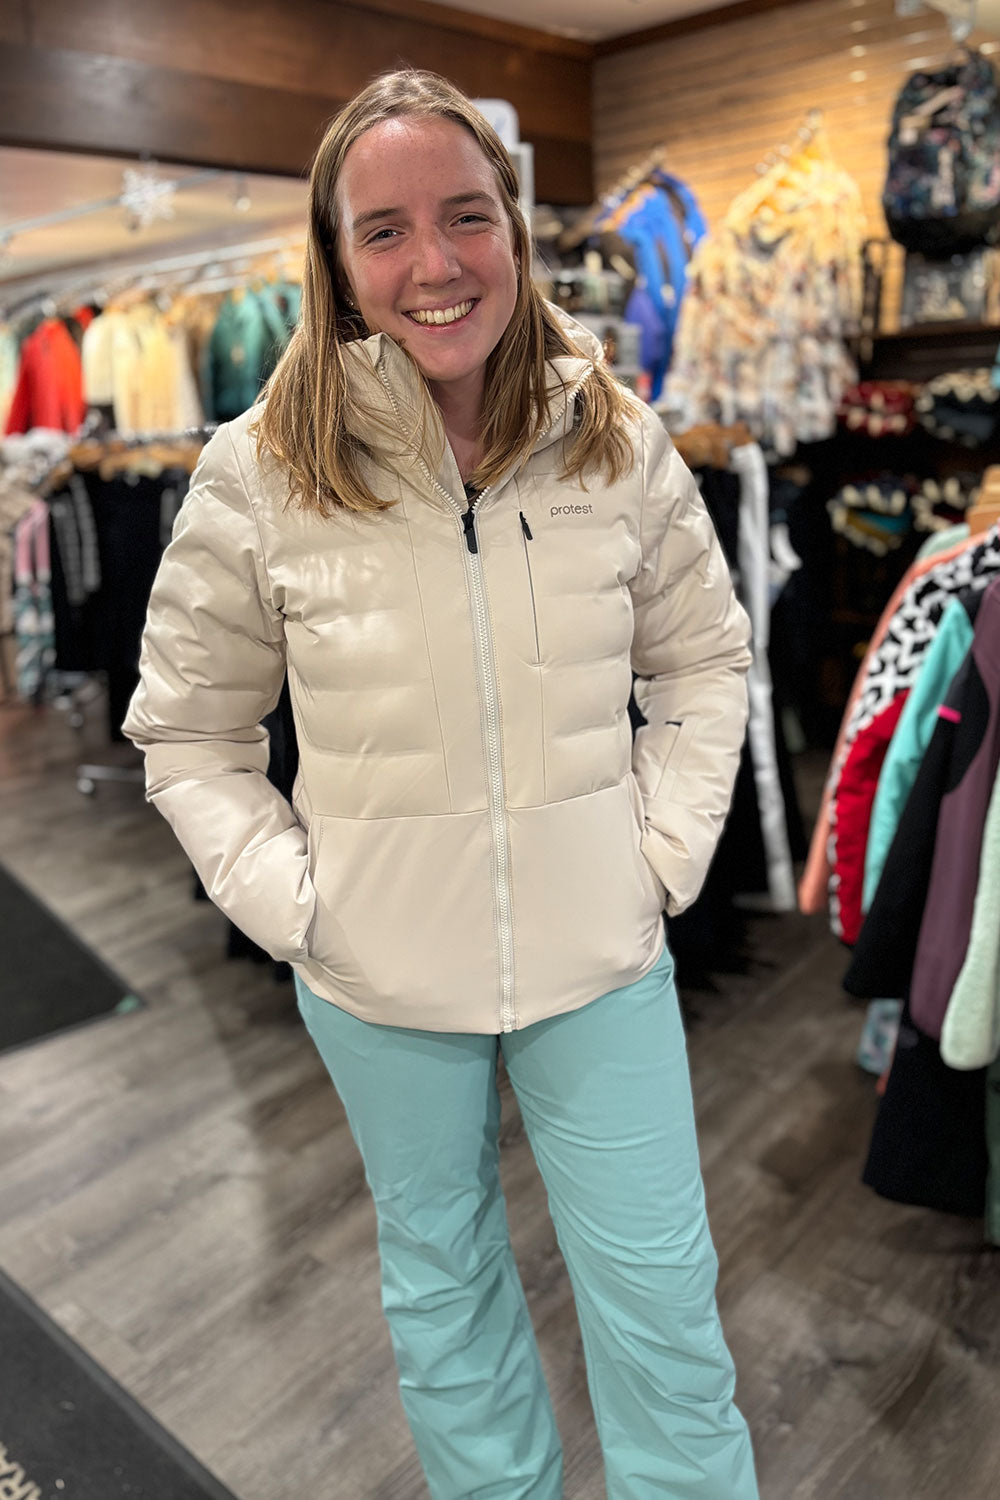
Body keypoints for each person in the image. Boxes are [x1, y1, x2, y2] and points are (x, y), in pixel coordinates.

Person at [124, 68, 759, 1500]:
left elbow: (708, 664)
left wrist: (654, 856)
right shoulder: (260, 473)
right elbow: (189, 733)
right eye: (387, 229)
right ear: (338, 259)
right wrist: (304, 905)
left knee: (664, 1309)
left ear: (516, 234)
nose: (435, 263)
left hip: (602, 954)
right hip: (376, 974)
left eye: (467, 217)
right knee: (445, 1295)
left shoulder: (617, 439)